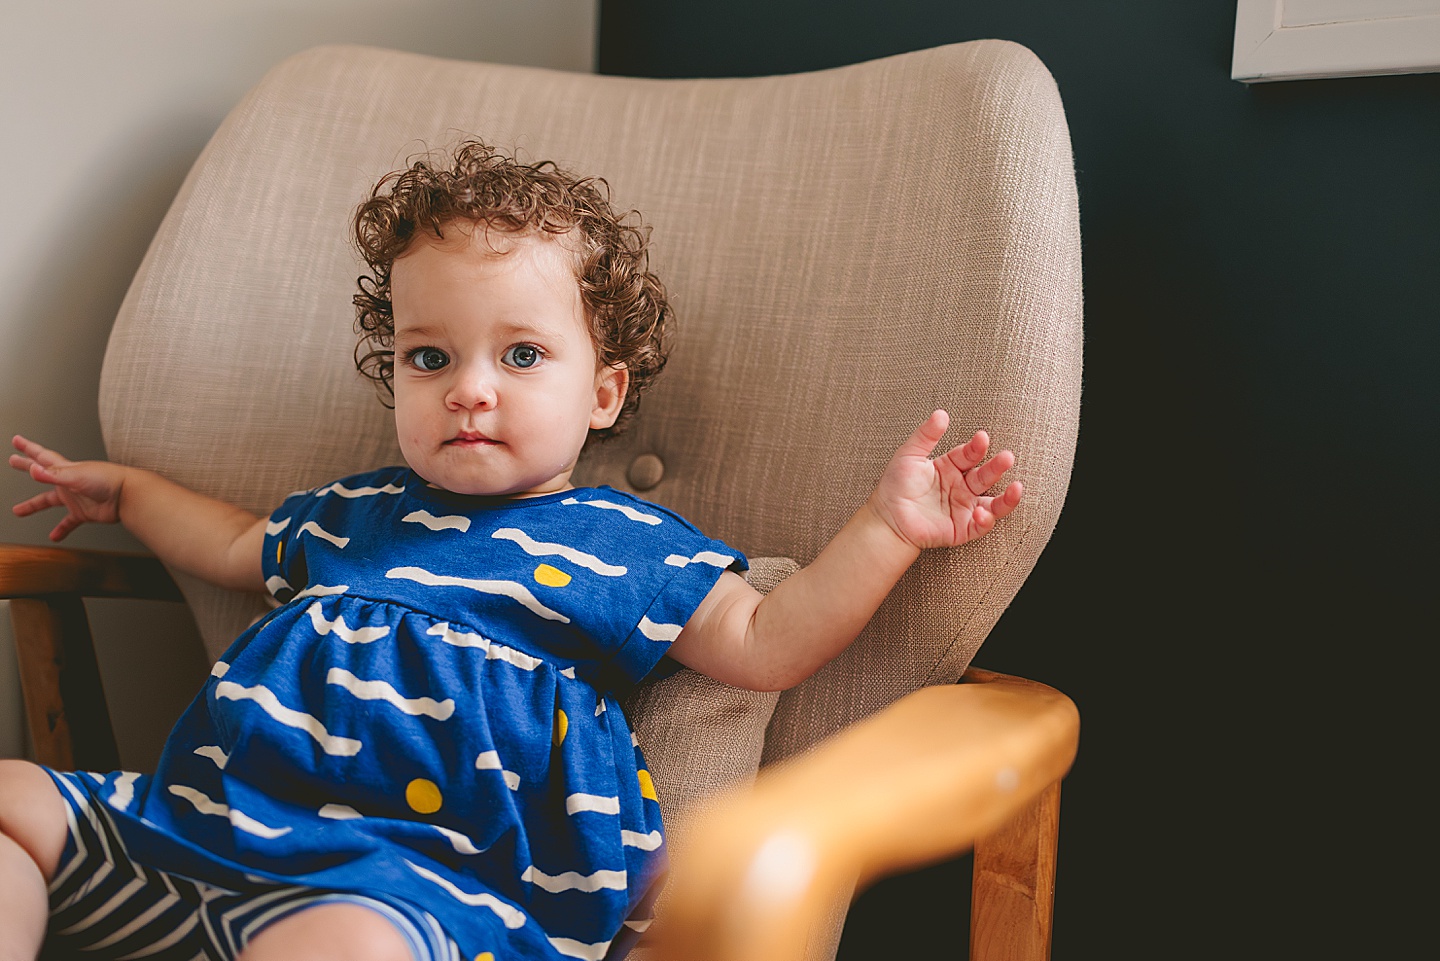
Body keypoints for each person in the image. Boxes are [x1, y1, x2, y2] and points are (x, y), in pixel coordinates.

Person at [1, 140, 1022, 961]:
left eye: (522, 354)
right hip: (199, 833)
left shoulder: (620, 547)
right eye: (429, 356)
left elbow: (766, 640)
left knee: (335, 946)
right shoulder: (355, 514)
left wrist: (888, 529)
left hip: (417, 889)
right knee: (8, 795)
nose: (469, 387)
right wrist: (127, 492)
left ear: (605, 392)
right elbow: (227, 540)